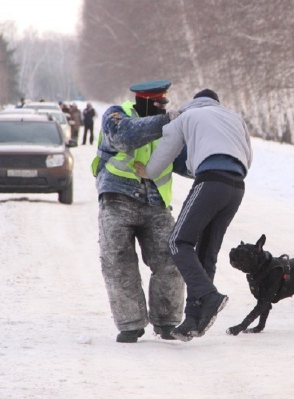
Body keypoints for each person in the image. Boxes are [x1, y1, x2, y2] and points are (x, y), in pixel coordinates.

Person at [135, 88, 252, 342]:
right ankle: (193, 320)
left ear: (194, 102)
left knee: (178, 241)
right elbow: (247, 156)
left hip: (210, 181)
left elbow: (167, 150)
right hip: (236, 186)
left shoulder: (186, 117)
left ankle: (209, 297)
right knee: (206, 251)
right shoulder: (233, 118)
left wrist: (150, 172)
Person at [91, 80, 187, 343]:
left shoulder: (168, 127)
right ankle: (130, 324)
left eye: (164, 104)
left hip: (156, 204)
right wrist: (168, 121)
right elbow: (125, 136)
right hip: (117, 199)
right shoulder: (116, 115)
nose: (162, 108)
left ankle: (167, 322)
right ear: (142, 101)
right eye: (157, 104)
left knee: (171, 260)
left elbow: (185, 162)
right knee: (118, 262)